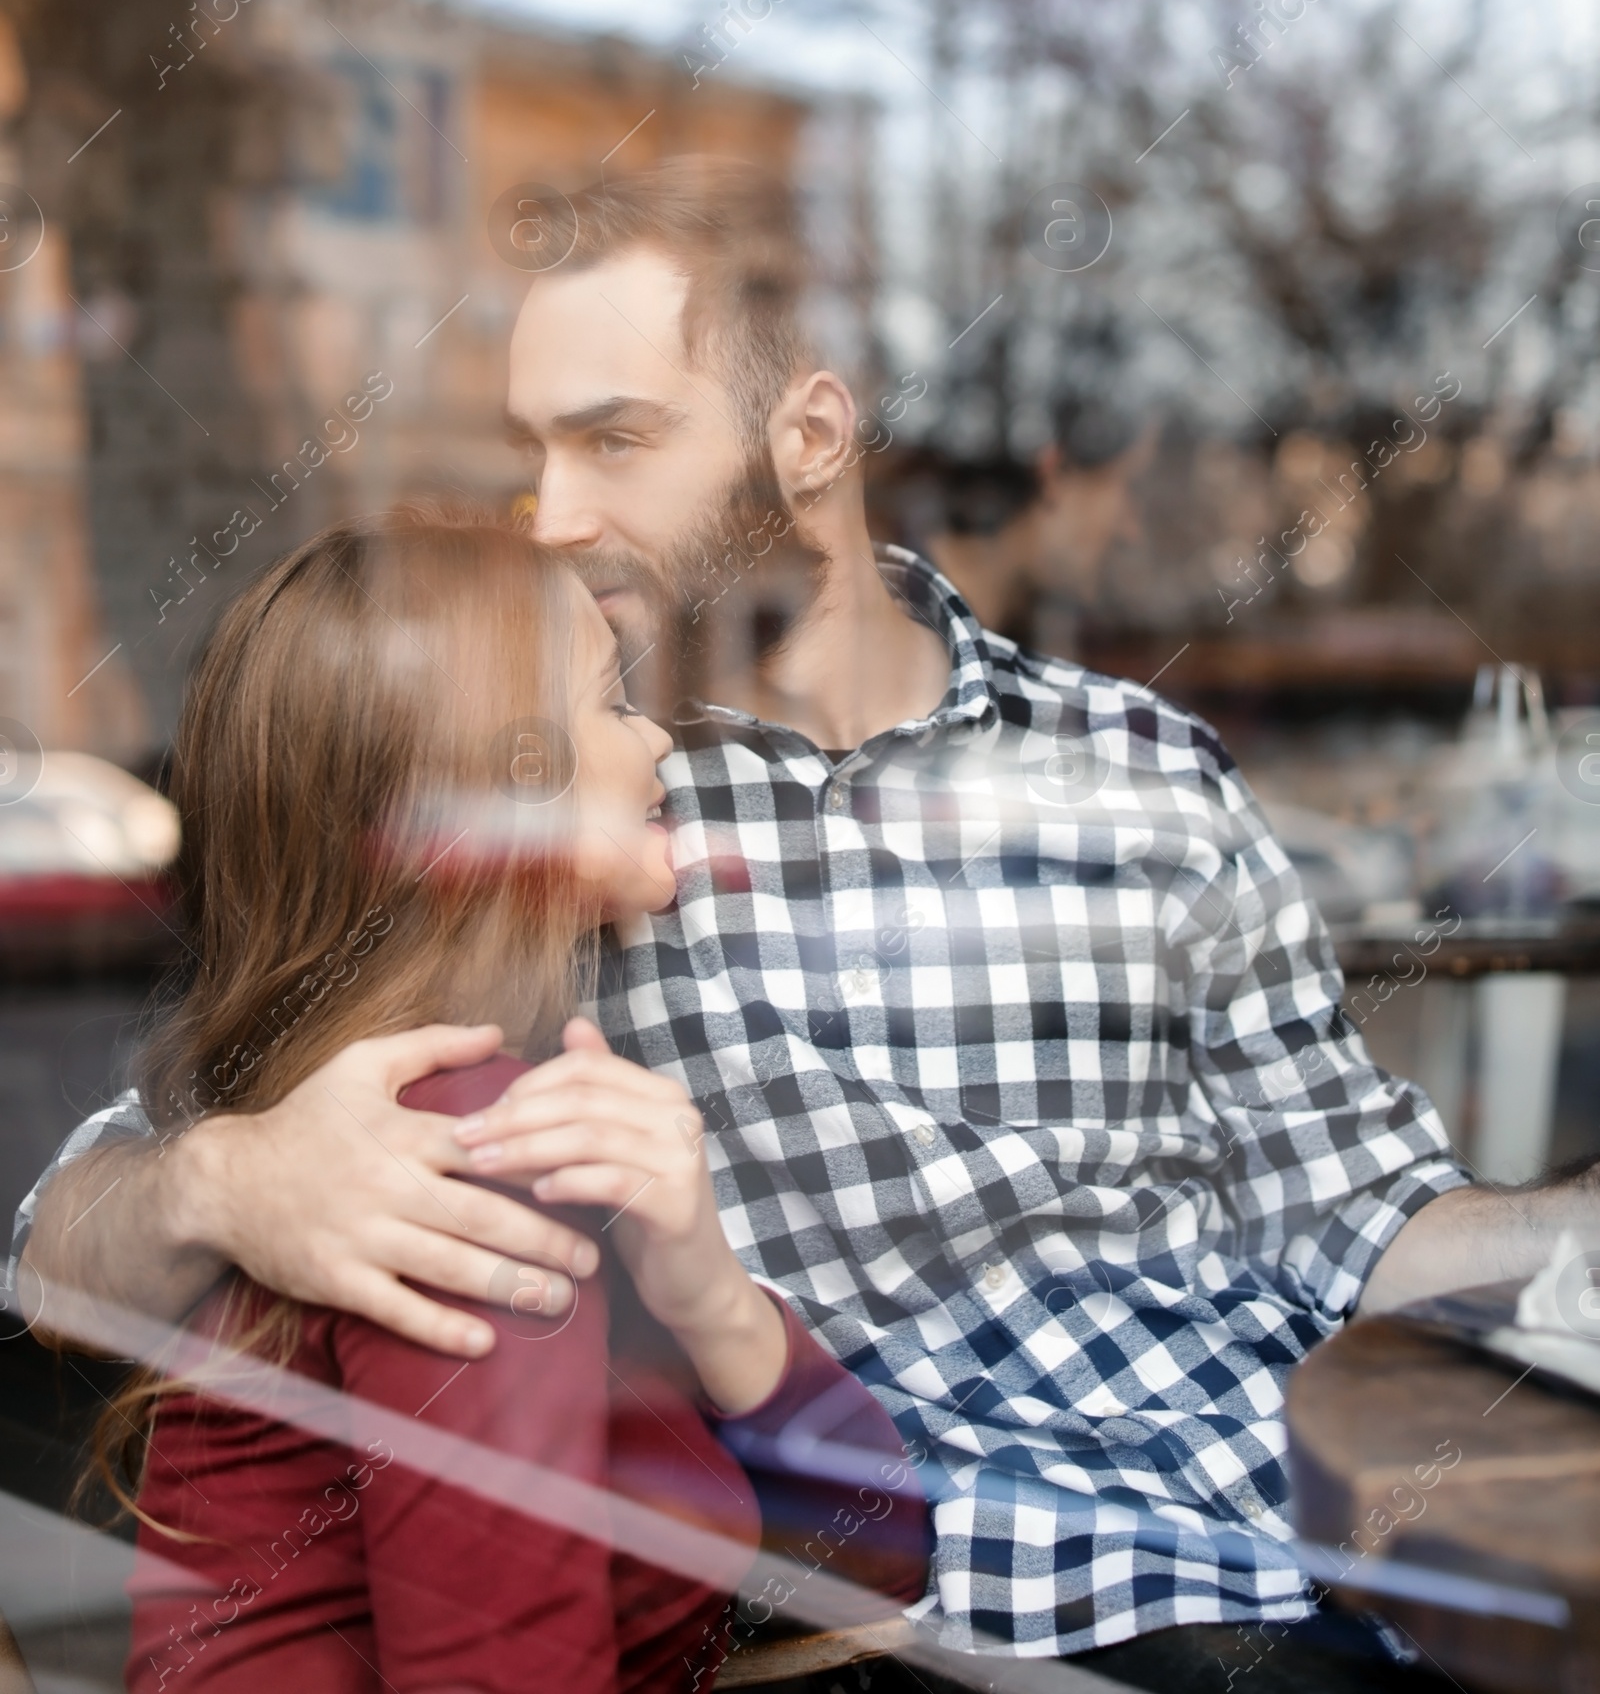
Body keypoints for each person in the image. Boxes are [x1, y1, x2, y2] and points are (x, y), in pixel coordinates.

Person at [17, 160, 1600, 1691]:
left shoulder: (1138, 770)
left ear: (811, 435)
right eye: (533, 448)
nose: (551, 514)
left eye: (614, 440)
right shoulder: (572, 810)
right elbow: (71, 1230)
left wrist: (1568, 1234)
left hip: (1334, 1511)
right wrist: (228, 1176)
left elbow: (1357, 1212)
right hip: (992, 1596)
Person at [86, 509, 926, 1692]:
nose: (658, 749)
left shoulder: (508, 1109)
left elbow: (873, 1560)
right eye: (613, 702)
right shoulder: (455, 1153)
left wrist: (709, 1295)